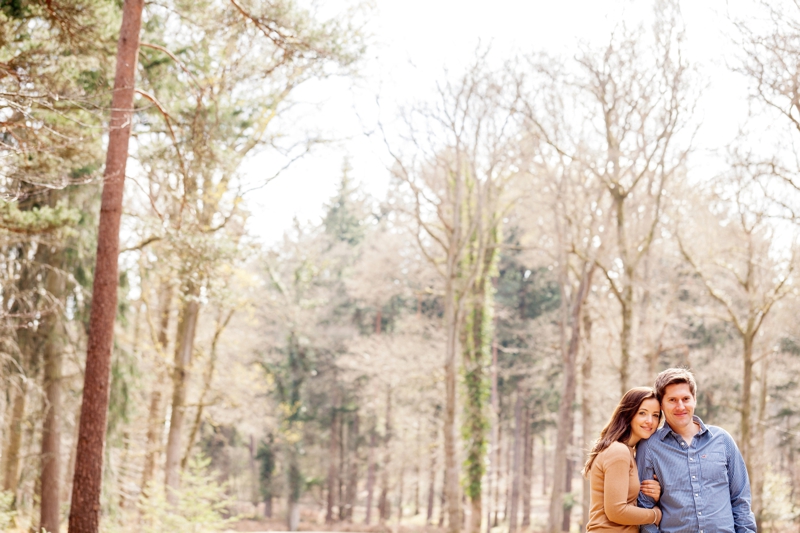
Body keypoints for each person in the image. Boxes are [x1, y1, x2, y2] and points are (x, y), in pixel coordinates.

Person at [636, 368, 756, 533]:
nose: (680, 406)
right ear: (661, 404)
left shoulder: (722, 440)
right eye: (672, 400)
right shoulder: (649, 447)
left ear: (695, 400)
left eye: (686, 398)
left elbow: (740, 500)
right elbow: (644, 508)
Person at [584, 387, 663, 532]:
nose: (650, 421)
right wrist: (656, 515)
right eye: (642, 413)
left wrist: (655, 493)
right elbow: (616, 511)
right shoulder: (618, 452)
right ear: (628, 414)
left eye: (656, 415)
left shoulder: (628, 452)